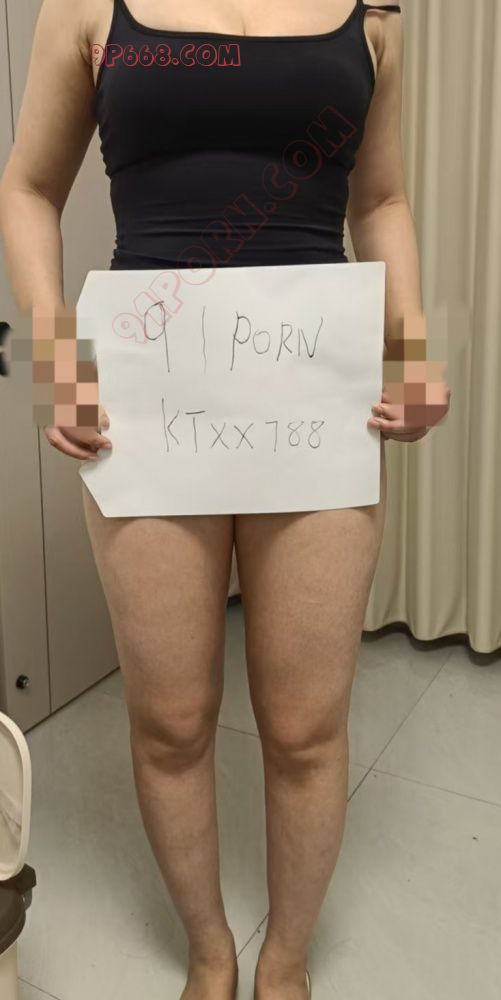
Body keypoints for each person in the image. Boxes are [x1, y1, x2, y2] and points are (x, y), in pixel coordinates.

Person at [0, 2, 450, 998]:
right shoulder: (85, 7)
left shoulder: (375, 17)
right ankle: (210, 953)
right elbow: (27, 187)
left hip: (314, 404)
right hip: (149, 405)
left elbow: (381, 198)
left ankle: (285, 961)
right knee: (170, 720)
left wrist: (412, 346)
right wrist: (51, 350)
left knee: (305, 726)